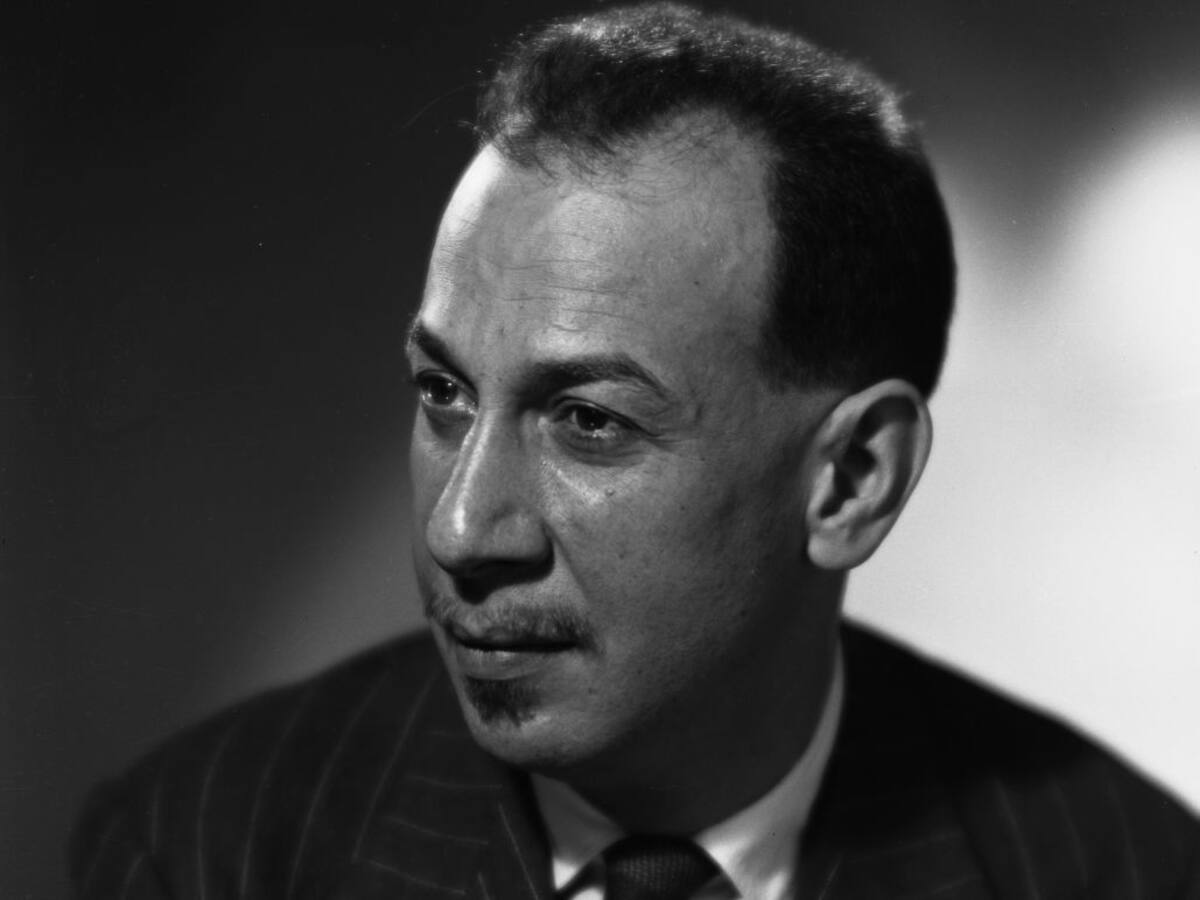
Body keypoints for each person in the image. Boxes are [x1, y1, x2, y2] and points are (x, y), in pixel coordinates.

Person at [71, 3, 1199, 898]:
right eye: (444, 394)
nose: (459, 530)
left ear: (853, 481)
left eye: (590, 422)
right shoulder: (202, 848)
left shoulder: (1124, 873)